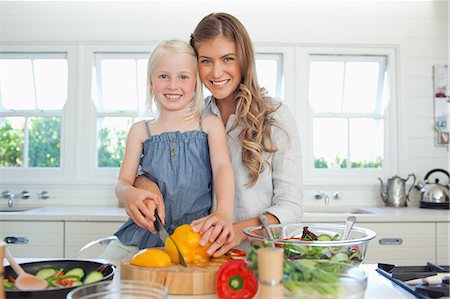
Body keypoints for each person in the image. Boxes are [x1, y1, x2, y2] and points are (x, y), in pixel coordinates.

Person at [130, 12, 303, 257]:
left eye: (227, 59)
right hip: (203, 256)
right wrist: (142, 182)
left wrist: (239, 230)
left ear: (244, 60)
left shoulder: (275, 116)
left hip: (261, 258)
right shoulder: (194, 116)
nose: (216, 72)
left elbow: (291, 207)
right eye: (206, 61)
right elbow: (154, 160)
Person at [105, 39, 235, 259]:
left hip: (197, 233)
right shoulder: (140, 131)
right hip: (145, 232)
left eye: (183, 77)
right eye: (163, 76)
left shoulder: (210, 124)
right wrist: (130, 194)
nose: (172, 85)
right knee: (106, 270)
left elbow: (222, 167)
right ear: (150, 83)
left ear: (195, 84)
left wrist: (223, 212)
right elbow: (122, 183)